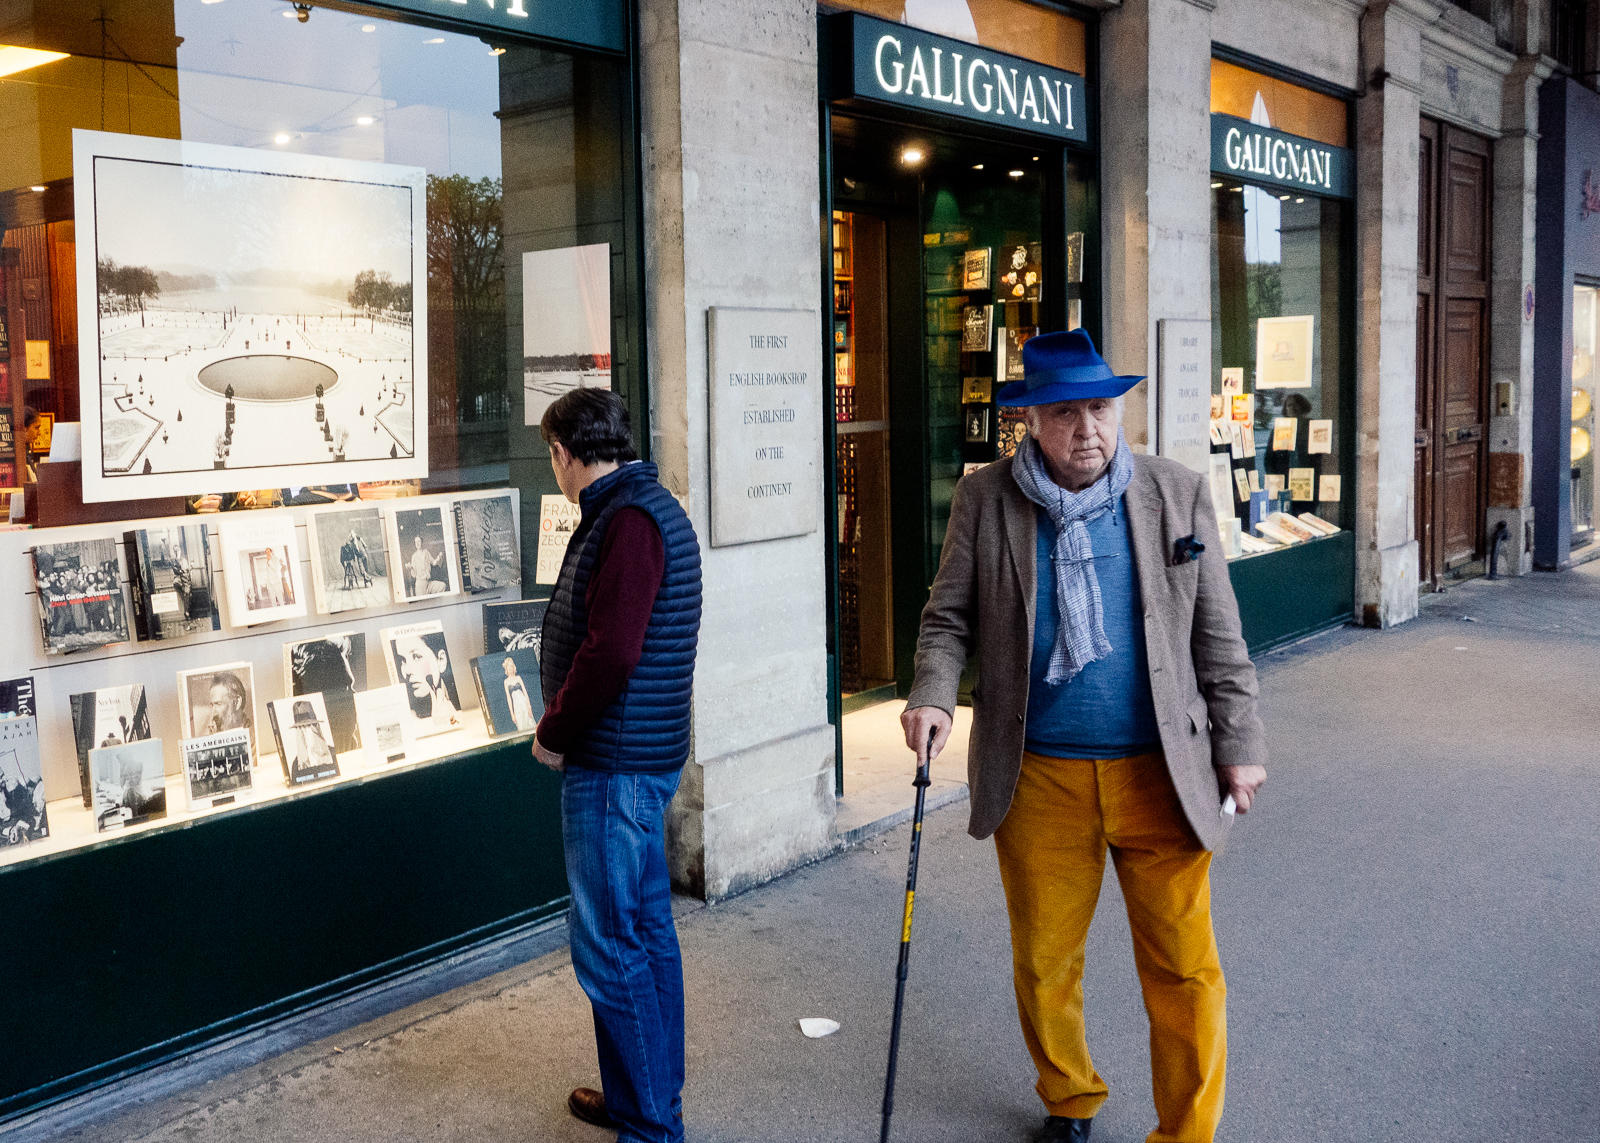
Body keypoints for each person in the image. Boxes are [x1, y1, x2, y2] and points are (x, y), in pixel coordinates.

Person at [901, 329, 1268, 1143]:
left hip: (1161, 771)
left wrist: (1240, 743)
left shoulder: (1175, 492)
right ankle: (1069, 1096)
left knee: (1184, 966)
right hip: (1039, 773)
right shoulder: (986, 499)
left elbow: (1218, 632)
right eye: (1065, 413)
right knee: (1045, 959)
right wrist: (932, 696)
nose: (1087, 429)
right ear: (1030, 420)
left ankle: (1186, 1132)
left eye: (1100, 408)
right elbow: (947, 617)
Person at [533, 388, 701, 1143]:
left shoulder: (627, 521)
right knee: (644, 928)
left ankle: (653, 1124)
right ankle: (645, 1096)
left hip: (615, 763)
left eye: (552, 455)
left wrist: (555, 729)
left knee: (609, 943)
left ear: (564, 453)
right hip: (639, 755)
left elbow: (613, 652)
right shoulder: (645, 506)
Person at [502, 657, 536, 732]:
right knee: (521, 725)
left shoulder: (518, 678)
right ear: (506, 668)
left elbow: (525, 692)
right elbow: (509, 698)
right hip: (516, 706)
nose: (510, 668)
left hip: (524, 703)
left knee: (529, 722)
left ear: (513, 667)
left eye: (511, 666)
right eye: (508, 666)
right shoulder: (506, 682)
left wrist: (529, 706)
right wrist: (512, 714)